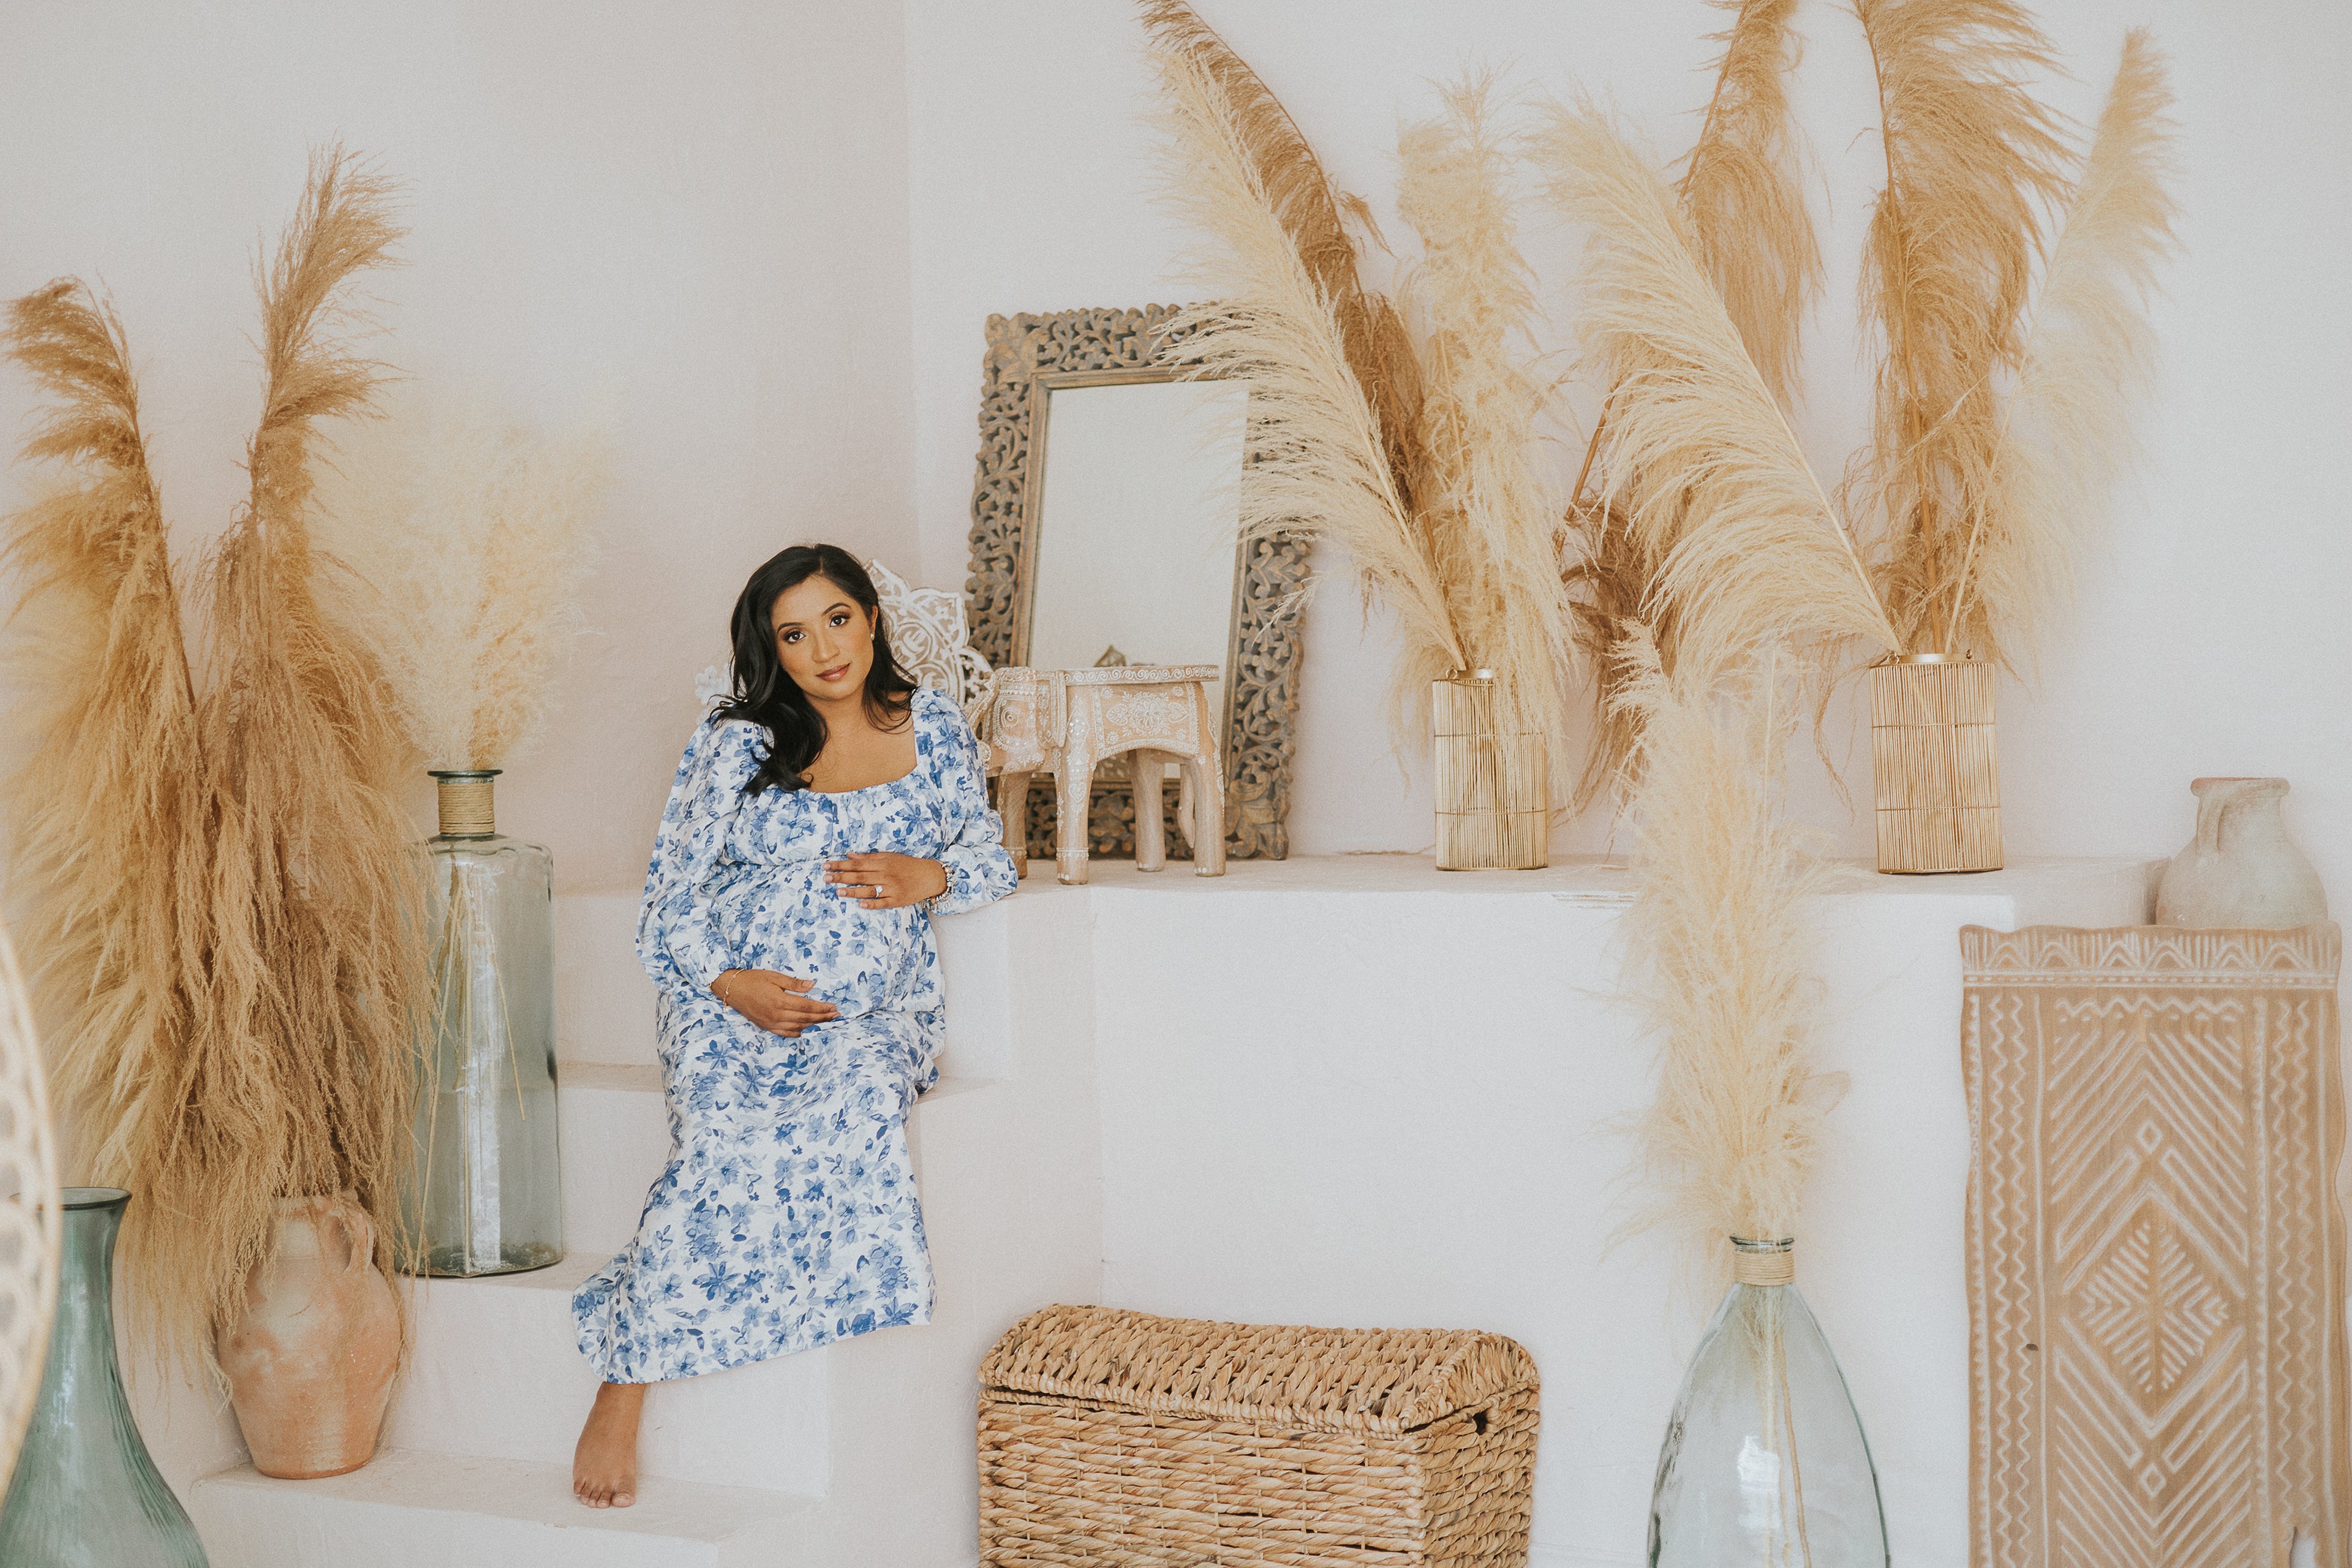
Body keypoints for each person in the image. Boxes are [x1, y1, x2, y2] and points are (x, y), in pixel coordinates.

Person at [570, 543, 1016, 1507]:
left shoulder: (932, 725)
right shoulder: (737, 741)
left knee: (860, 1098)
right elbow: (670, 900)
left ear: (872, 619)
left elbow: (990, 855)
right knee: (723, 1137)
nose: (825, 650)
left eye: (838, 620)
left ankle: (787, 1318)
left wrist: (928, 874)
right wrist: (734, 987)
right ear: (771, 650)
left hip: (872, 1012)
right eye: (795, 635)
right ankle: (625, 1377)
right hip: (729, 1005)